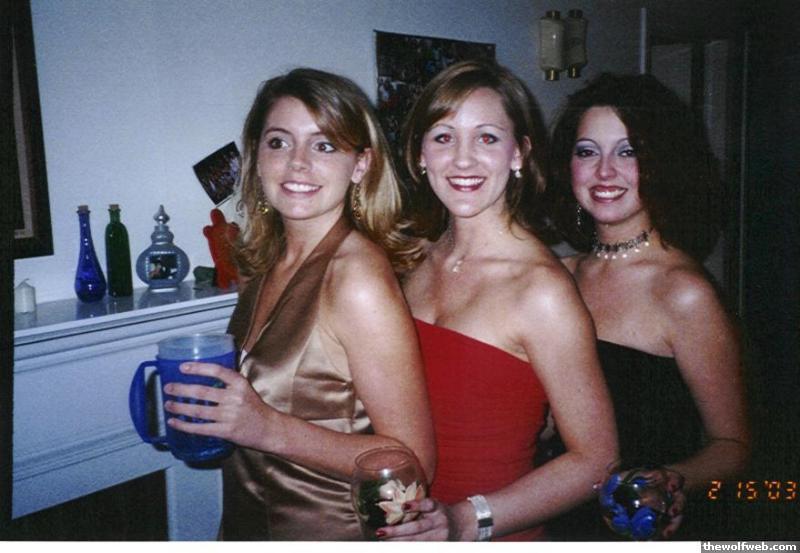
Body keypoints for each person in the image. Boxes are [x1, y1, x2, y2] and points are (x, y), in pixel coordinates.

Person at [163, 68, 435, 540]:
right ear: (256, 157)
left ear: (361, 165)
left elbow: (414, 464)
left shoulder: (357, 278)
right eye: (279, 142)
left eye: (324, 145)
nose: (298, 163)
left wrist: (265, 427)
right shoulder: (265, 261)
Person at [378, 59, 618, 541]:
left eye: (487, 137)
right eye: (443, 137)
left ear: (519, 154)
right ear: (420, 154)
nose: (463, 160)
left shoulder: (542, 291)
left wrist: (465, 520)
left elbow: (597, 460)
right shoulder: (412, 259)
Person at [546, 73, 750, 539]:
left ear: (661, 163)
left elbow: (733, 445)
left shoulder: (684, 293)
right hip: (552, 511)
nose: (604, 172)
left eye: (628, 151)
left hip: (637, 523)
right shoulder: (557, 277)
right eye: (587, 152)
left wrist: (670, 480)